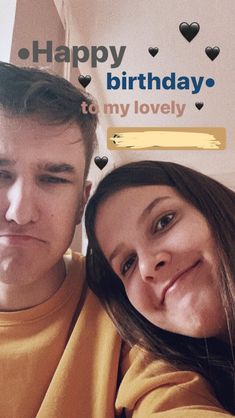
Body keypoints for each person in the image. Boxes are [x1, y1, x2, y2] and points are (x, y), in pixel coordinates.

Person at [0, 62, 232, 418]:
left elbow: (174, 400)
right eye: (1, 175)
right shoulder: (140, 297)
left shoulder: (118, 308)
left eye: (53, 179)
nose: (20, 211)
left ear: (81, 202)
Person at [85, 160, 235, 415]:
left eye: (164, 222)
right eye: (128, 263)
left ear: (212, 205)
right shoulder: (173, 381)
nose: (147, 267)